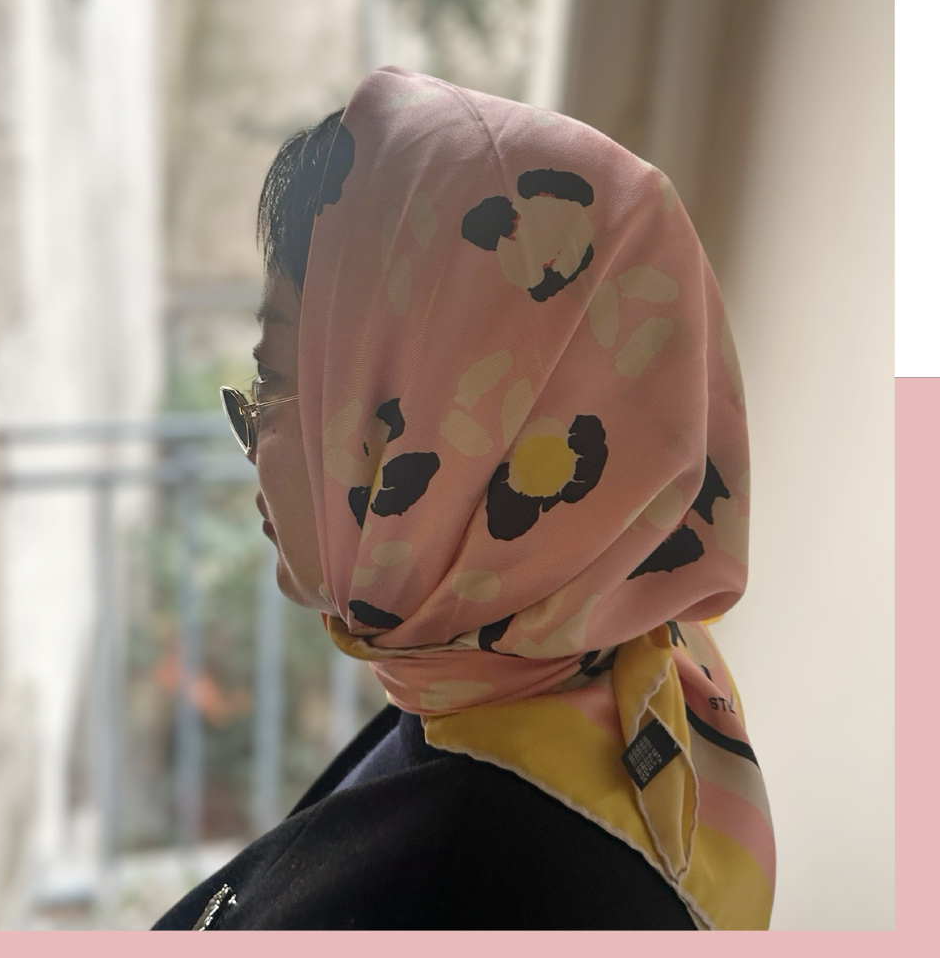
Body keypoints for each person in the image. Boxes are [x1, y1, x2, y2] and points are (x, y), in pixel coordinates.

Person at [153, 67, 774, 931]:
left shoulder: (486, 885)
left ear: (449, 427)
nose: (256, 438)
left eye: (275, 376)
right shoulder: (563, 669)